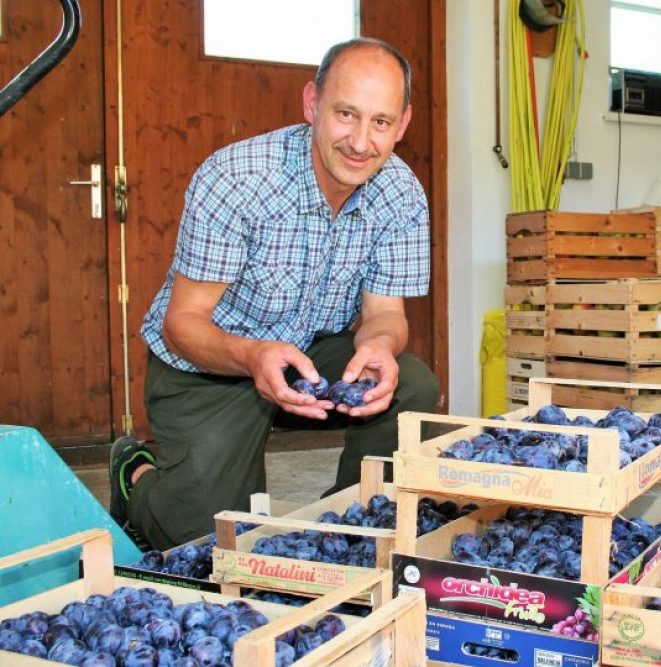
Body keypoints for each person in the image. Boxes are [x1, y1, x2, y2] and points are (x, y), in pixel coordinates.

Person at [109, 37, 439, 551]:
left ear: (402, 125)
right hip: (209, 363)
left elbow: (385, 314)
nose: (360, 141)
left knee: (410, 384)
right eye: (345, 114)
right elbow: (183, 324)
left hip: (304, 354)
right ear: (312, 104)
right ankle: (137, 478)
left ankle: (348, 529)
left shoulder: (401, 194)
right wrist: (252, 355)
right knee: (211, 544)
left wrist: (379, 347)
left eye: (380, 122)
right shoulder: (237, 178)